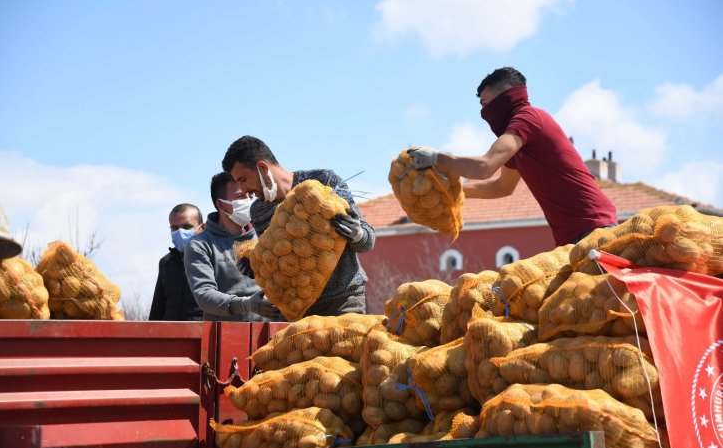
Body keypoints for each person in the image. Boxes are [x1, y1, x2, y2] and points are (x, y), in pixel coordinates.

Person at [407, 67, 617, 246]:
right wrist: (449, 190)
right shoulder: (519, 138)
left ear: (505, 97)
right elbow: (501, 187)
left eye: (485, 103)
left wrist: (436, 158)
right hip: (573, 237)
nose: (484, 113)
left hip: (594, 229)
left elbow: (484, 167)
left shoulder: (527, 120)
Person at [221, 135, 375, 316]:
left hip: (345, 302)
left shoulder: (323, 181)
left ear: (262, 168)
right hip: (300, 310)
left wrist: (357, 234)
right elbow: (281, 265)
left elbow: (368, 240)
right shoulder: (258, 211)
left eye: (243, 179)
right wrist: (256, 266)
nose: (244, 190)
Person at [184, 172, 281, 322]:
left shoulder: (267, 236)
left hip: (272, 335)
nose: (248, 201)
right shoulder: (200, 245)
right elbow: (204, 295)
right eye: (241, 197)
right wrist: (246, 304)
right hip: (225, 337)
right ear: (221, 204)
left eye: (250, 195)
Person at [149, 204, 205, 321]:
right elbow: (157, 309)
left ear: (202, 228)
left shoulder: (213, 258)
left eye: (186, 227)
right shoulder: (166, 262)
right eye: (174, 228)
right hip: (170, 335)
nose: (180, 232)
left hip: (203, 334)